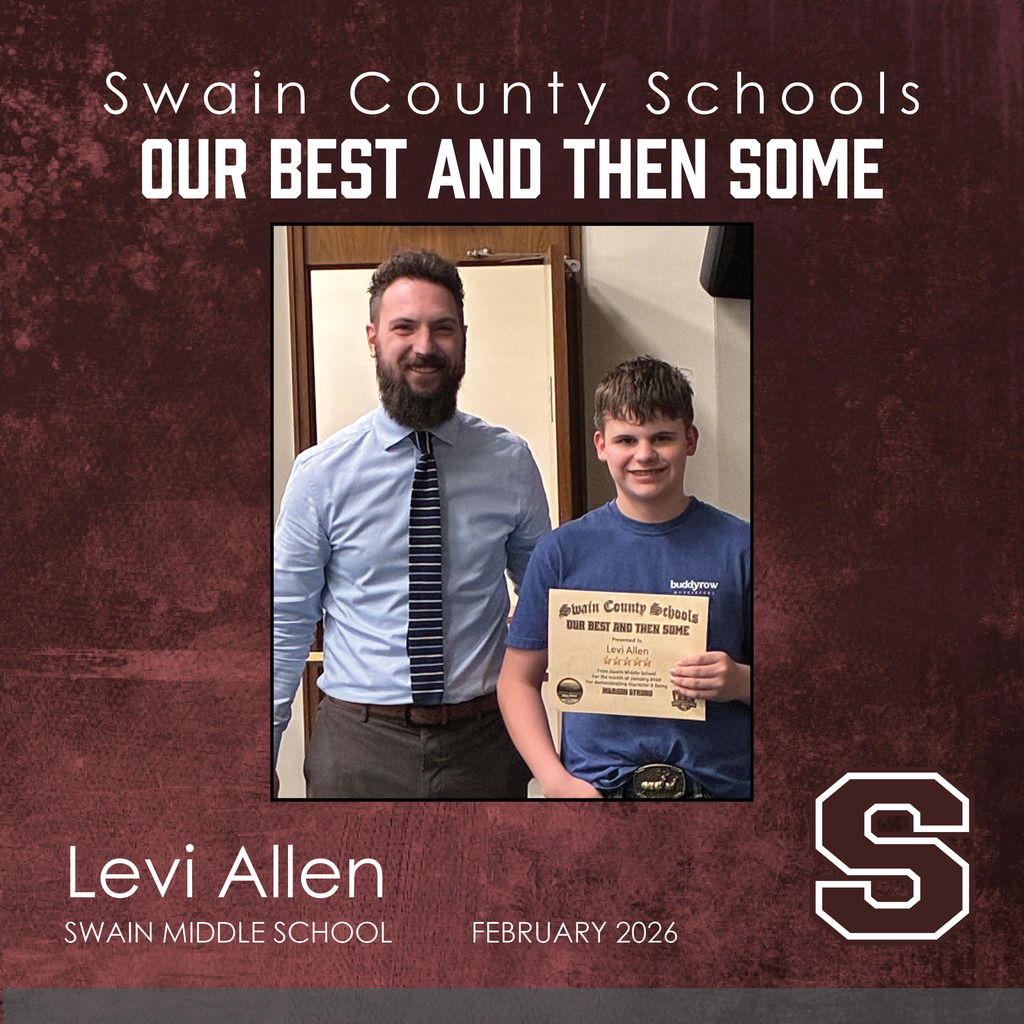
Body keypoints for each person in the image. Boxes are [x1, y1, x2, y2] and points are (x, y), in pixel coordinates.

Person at [274, 250, 550, 799]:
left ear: (463, 338)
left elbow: (550, 599)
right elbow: (285, 622)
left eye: (442, 328)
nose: (424, 346)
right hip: (358, 749)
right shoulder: (320, 474)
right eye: (405, 327)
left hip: (485, 745)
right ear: (374, 337)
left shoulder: (510, 462)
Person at [497, 356, 750, 799]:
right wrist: (555, 782)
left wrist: (742, 681)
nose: (644, 454)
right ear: (601, 445)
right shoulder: (561, 552)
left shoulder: (743, 546)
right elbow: (516, 681)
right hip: (598, 793)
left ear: (690, 440)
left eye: (662, 438)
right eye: (626, 439)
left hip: (720, 791)